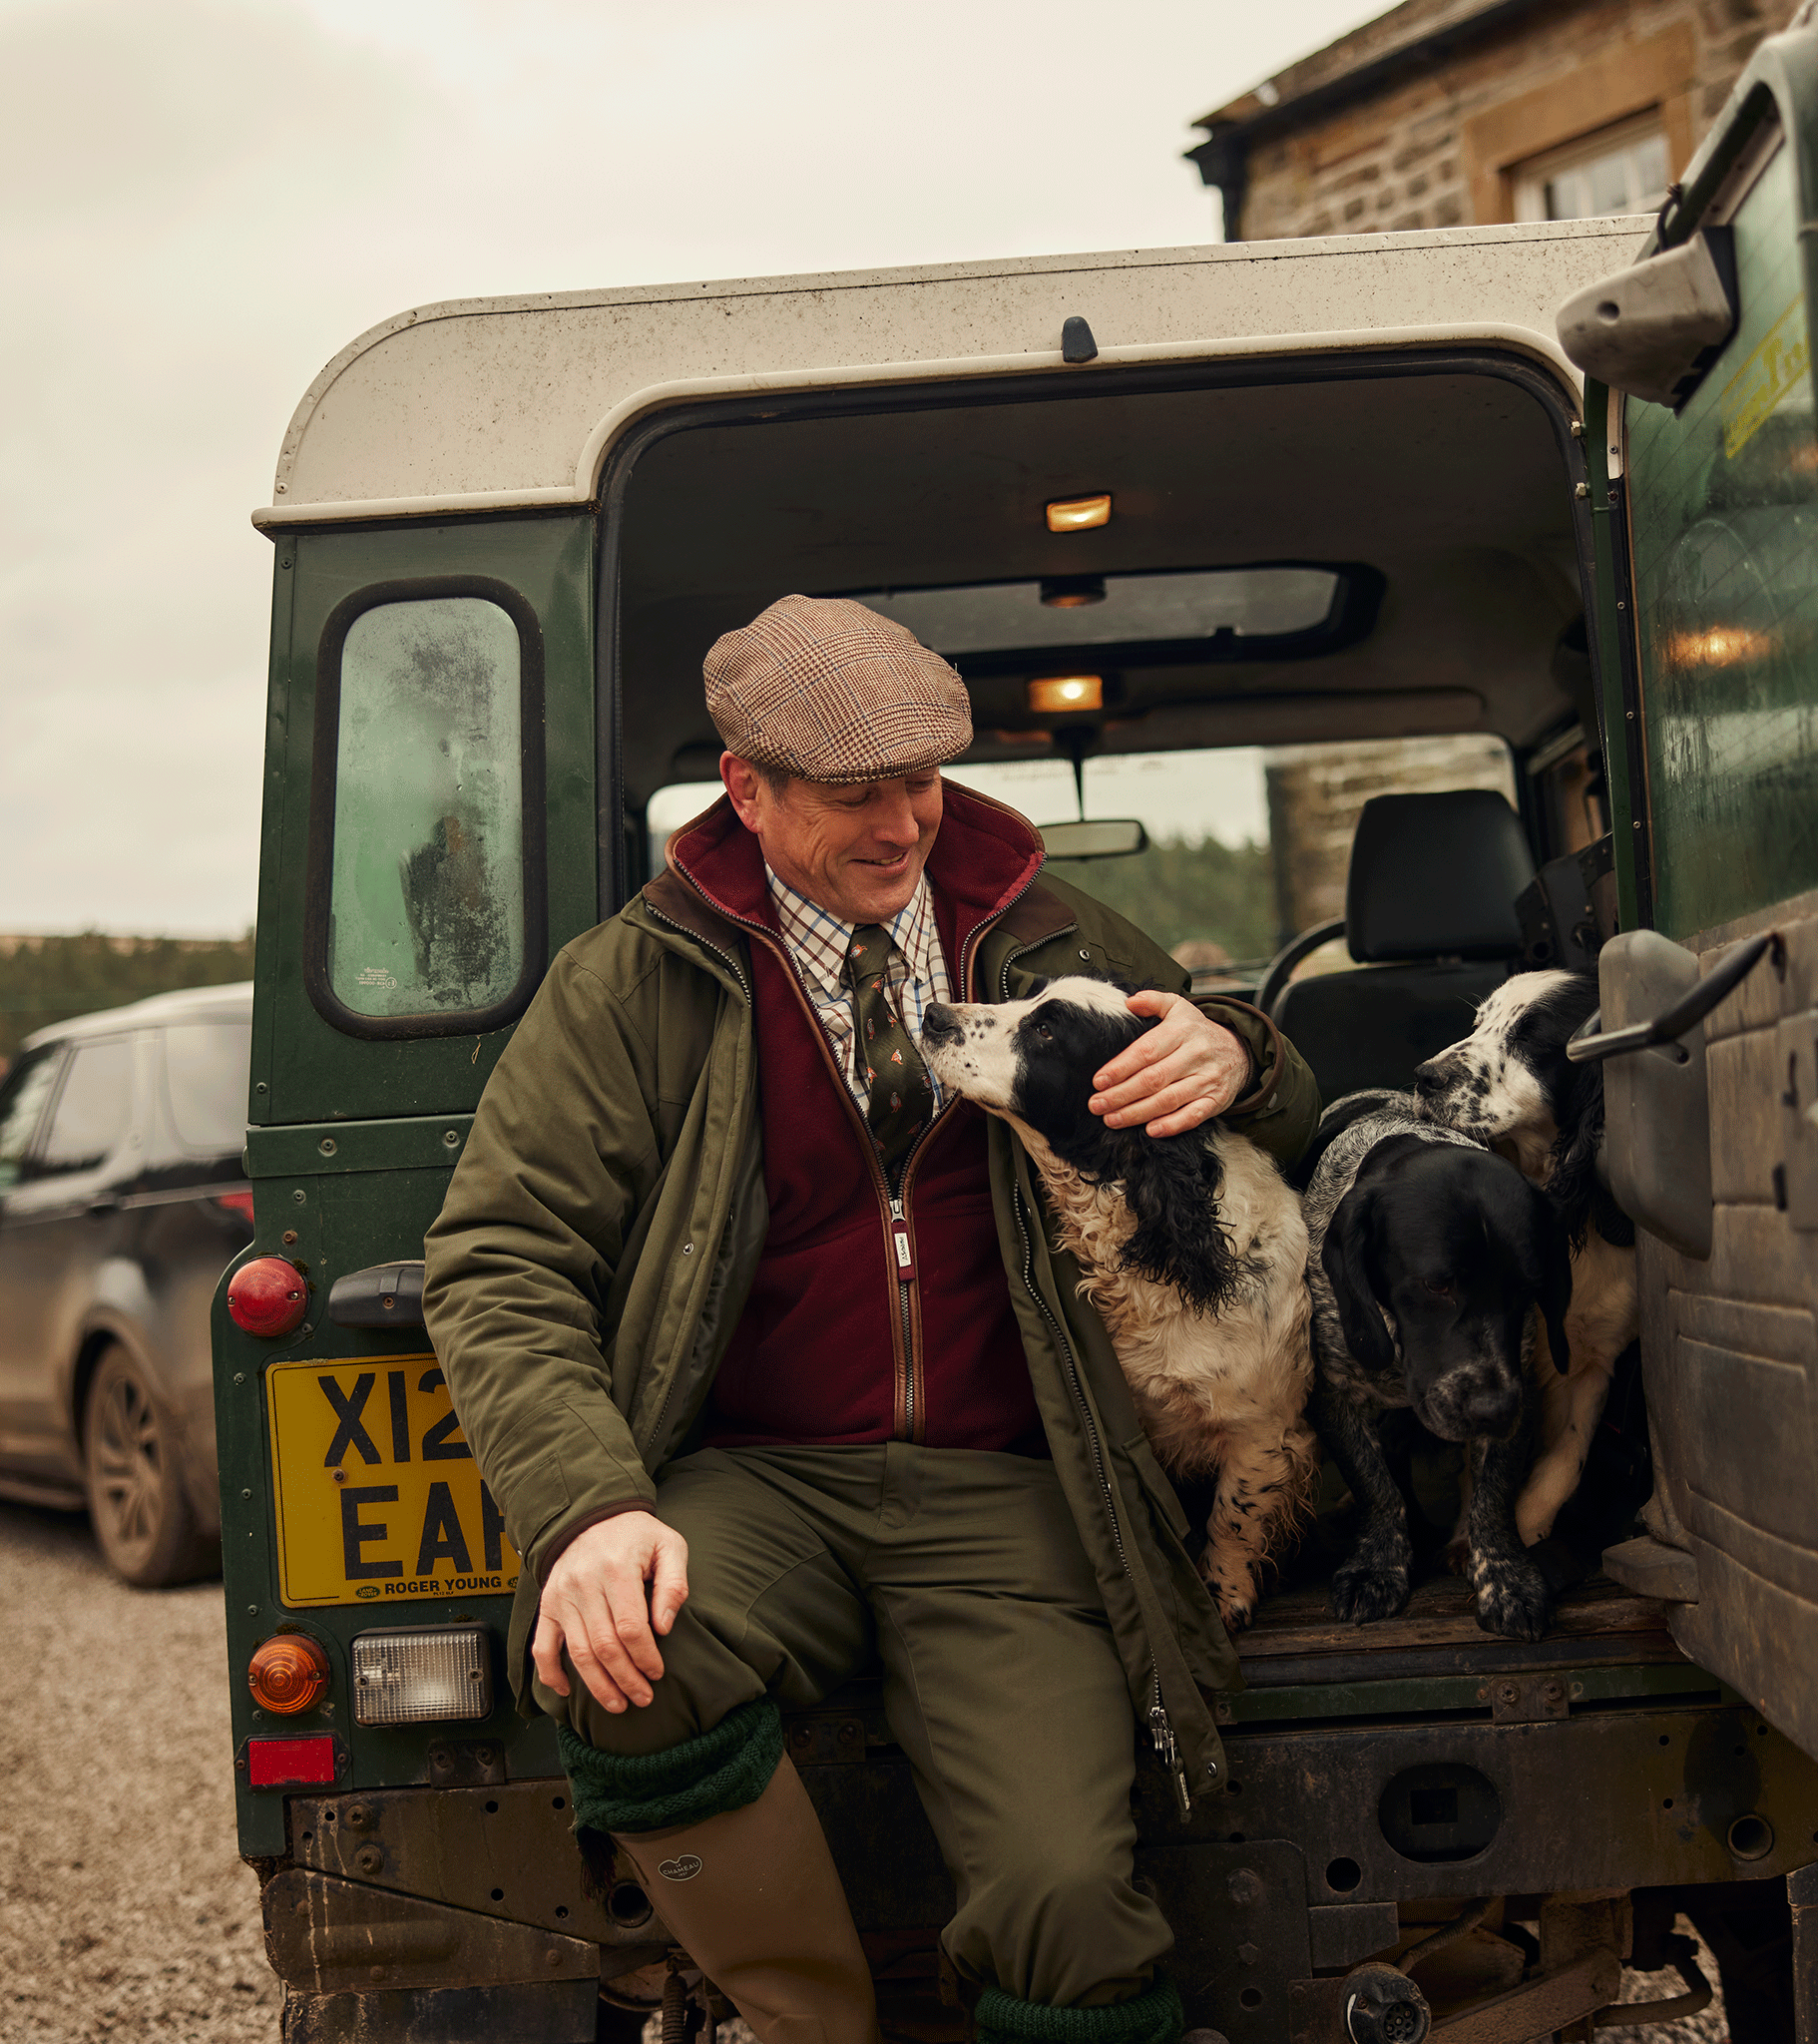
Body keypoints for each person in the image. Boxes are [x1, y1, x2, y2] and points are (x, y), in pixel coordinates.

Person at [425, 594, 1318, 2044]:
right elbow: (501, 1258)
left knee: (1069, 1908)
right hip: (758, 1480)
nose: (904, 825)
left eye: (923, 783)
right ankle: (813, 2027)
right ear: (748, 791)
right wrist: (587, 1509)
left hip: (1010, 1490)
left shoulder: (1050, 930)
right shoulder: (630, 986)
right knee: (614, 1654)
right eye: (854, 795)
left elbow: (1276, 1106)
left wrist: (1245, 1050)